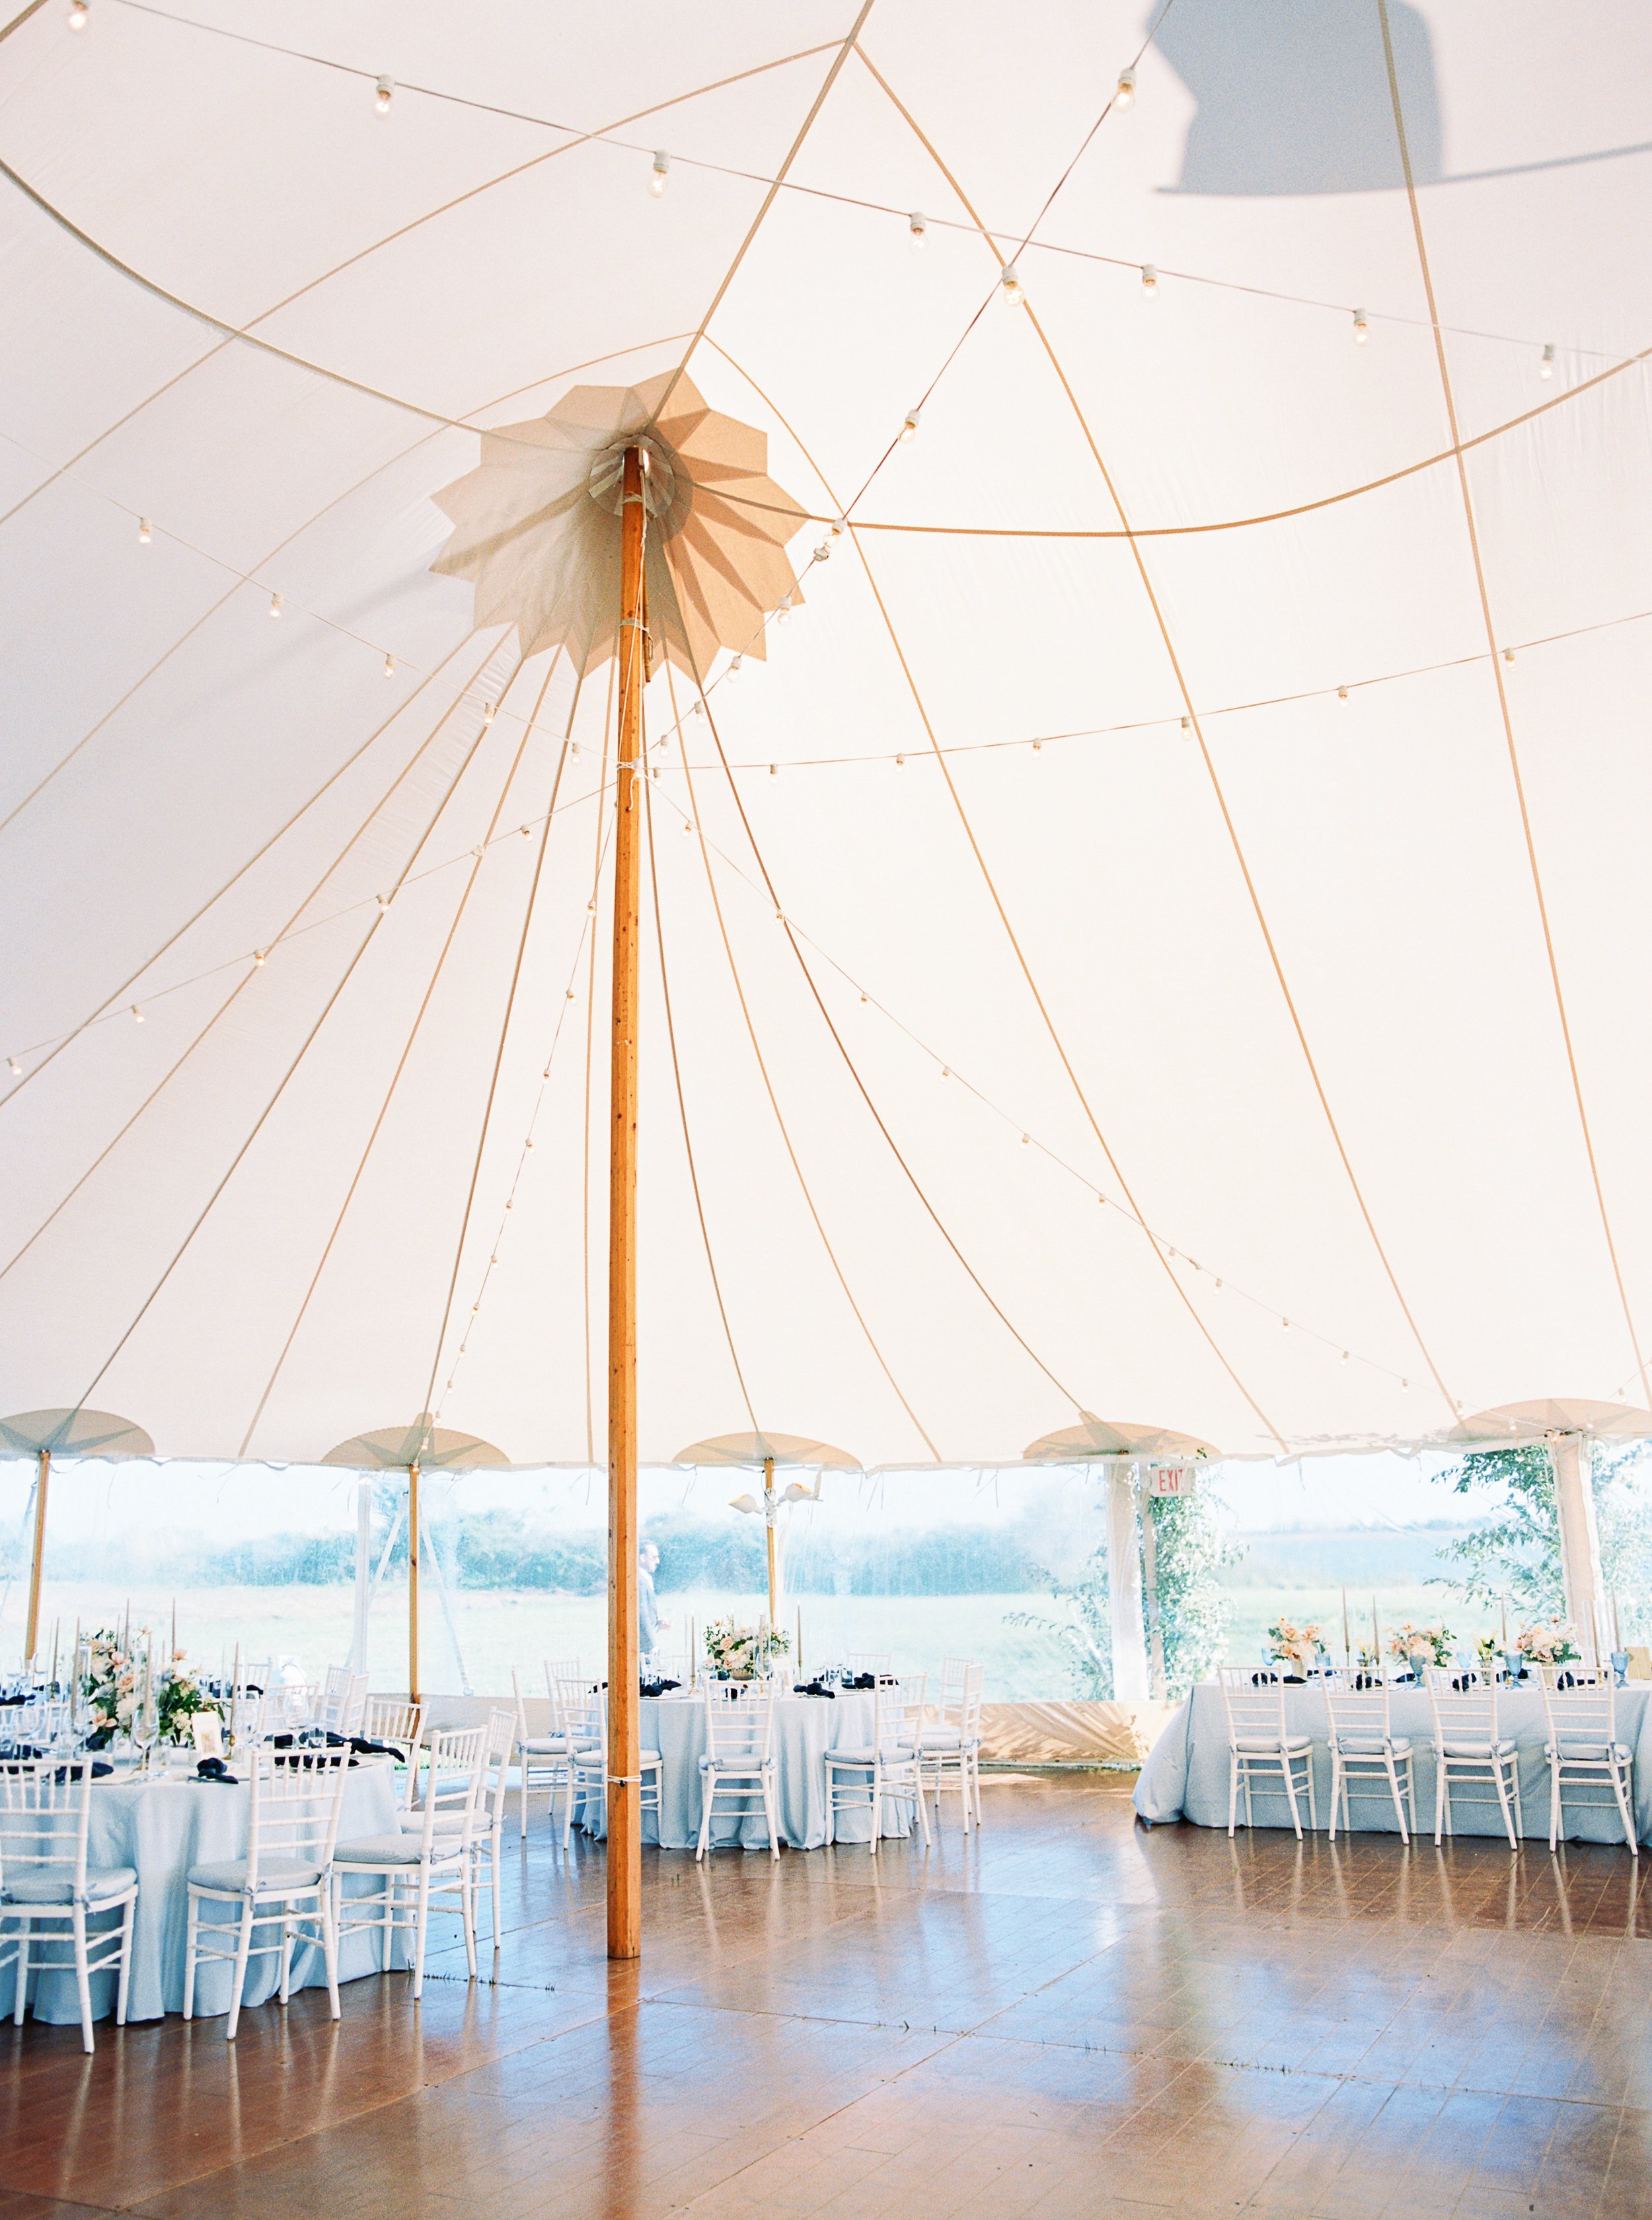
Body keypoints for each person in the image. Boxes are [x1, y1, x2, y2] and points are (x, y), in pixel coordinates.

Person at [638, 1539, 671, 1664]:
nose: (658, 1561)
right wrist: (652, 1644)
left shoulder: (644, 1579)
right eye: (654, 1557)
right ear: (642, 1558)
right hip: (644, 1647)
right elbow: (642, 1614)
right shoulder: (640, 1580)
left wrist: (658, 1624)